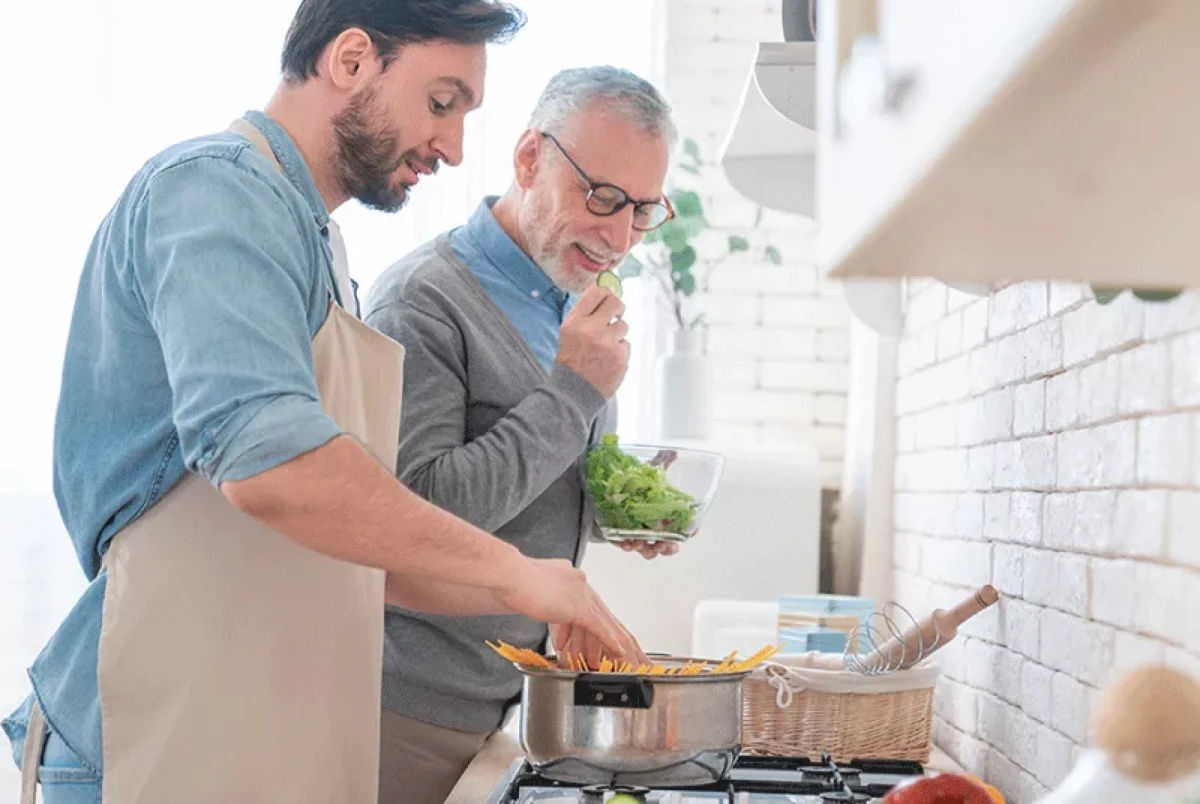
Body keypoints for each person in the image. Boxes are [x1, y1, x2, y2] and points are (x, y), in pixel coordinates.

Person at [1, 4, 646, 804]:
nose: (452, 147)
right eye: (441, 103)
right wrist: (513, 573)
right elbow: (276, 469)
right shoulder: (213, 194)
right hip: (151, 733)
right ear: (349, 61)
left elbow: (366, 556)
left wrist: (543, 591)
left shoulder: (313, 240)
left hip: (244, 724)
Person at [362, 66, 678, 803]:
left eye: (640, 210)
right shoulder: (423, 302)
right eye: (601, 197)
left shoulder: (570, 297)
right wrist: (575, 388)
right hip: (409, 711)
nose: (618, 235)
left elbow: (536, 478)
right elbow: (419, 515)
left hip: (508, 702)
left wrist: (621, 512)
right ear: (530, 158)